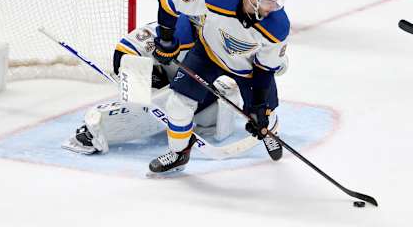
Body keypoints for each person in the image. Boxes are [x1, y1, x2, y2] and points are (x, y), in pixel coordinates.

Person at [63, 10, 287, 155]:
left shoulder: (222, 39)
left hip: (186, 87)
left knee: (211, 116)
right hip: (159, 79)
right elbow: (124, 50)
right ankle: (95, 131)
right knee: (146, 101)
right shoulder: (174, 31)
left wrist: (276, 63)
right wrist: (139, 82)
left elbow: (266, 63)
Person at [149, 0, 289, 173]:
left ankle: (270, 133)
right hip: (207, 54)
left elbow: (264, 68)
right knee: (178, 104)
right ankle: (179, 153)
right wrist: (166, 39)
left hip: (249, 69)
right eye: (268, 1)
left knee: (264, 113)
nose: (272, 8)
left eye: (275, 2)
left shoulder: (278, 27)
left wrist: (258, 106)